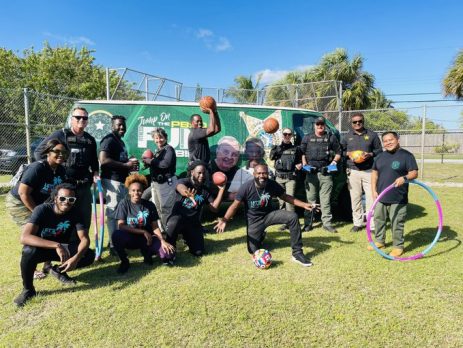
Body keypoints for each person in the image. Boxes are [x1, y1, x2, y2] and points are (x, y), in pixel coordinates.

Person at [214, 164, 315, 267]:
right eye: (259, 173)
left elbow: (285, 197)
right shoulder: (246, 187)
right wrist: (225, 220)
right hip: (254, 221)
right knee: (253, 250)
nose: (262, 176)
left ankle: (297, 253)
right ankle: (260, 234)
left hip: (269, 215)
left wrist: (304, 205)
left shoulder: (271, 184)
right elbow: (234, 206)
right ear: (254, 174)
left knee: (292, 217)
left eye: (264, 173)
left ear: (268, 174)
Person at [14, 183, 95, 307]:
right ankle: (28, 290)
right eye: (62, 198)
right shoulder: (42, 209)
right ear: (55, 198)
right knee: (28, 251)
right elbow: (25, 237)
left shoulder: (75, 212)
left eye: (71, 199)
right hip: (42, 248)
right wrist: (57, 245)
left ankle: (58, 270)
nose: (66, 202)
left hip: (63, 249)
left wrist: (76, 258)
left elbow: (84, 239)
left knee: (88, 255)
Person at [6, 139, 68, 279]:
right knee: (34, 231)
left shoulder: (61, 170)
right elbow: (23, 193)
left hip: (40, 202)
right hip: (19, 202)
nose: (61, 155)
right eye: (56, 151)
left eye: (64, 152)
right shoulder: (37, 168)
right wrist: (37, 213)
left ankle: (47, 264)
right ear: (48, 152)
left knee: (50, 228)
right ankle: (31, 267)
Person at [34, 107, 99, 229]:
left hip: (84, 185)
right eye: (78, 117)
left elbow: (94, 161)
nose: (81, 120)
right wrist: (51, 170)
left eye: (85, 118)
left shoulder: (90, 139)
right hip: (64, 185)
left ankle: (84, 246)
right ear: (71, 119)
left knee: (84, 217)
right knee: (65, 216)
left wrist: (95, 173)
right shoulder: (60, 135)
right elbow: (38, 152)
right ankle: (66, 245)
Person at [112, 174, 175, 273]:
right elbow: (121, 226)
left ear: (143, 191)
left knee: (168, 255)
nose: (136, 193)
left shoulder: (150, 205)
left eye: (139, 190)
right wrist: (142, 232)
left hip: (148, 239)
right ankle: (124, 261)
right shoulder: (124, 203)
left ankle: (147, 253)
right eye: (133, 190)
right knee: (116, 235)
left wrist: (162, 241)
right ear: (129, 191)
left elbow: (155, 227)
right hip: (131, 238)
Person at [368, 131, 418, 257]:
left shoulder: (406, 156)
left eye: (391, 140)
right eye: (385, 141)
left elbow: (414, 173)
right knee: (379, 220)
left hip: (398, 197)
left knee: (397, 222)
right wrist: (373, 190)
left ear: (397, 140)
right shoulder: (380, 156)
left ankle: (398, 246)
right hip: (381, 196)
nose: (388, 143)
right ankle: (380, 241)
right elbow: (374, 173)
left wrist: (405, 178)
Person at [166, 160, 225, 258]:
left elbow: (214, 208)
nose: (202, 175)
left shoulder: (205, 190)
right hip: (178, 219)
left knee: (198, 252)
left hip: (193, 223)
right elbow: (179, 186)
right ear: (192, 172)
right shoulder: (185, 181)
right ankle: (170, 247)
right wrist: (187, 193)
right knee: (174, 222)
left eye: (203, 173)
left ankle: (186, 238)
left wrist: (221, 190)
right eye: (199, 173)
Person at [99, 115, 139, 252]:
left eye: (123, 125)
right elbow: (103, 160)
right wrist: (125, 164)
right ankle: (113, 245)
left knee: (120, 213)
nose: (122, 127)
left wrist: (130, 164)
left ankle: (118, 241)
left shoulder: (120, 142)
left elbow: (122, 161)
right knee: (112, 214)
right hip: (111, 181)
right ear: (112, 126)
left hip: (121, 181)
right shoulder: (109, 140)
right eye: (119, 125)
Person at [340, 112, 383, 232]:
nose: (357, 123)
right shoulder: (347, 136)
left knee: (371, 198)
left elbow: (379, 150)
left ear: (363, 122)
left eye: (360, 121)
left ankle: (372, 225)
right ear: (351, 124)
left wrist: (370, 154)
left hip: (369, 171)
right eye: (355, 122)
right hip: (353, 171)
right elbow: (340, 152)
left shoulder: (372, 135)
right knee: (355, 198)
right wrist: (348, 154)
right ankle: (357, 223)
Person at [300, 116, 341, 233]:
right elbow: (302, 152)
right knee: (310, 199)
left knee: (325, 200)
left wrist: (333, 162)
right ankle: (308, 224)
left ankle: (327, 224)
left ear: (324, 125)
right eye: (317, 124)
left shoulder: (330, 137)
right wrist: (304, 164)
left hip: (325, 173)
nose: (320, 126)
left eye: (322, 124)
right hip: (311, 173)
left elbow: (339, 152)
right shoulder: (307, 137)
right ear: (314, 125)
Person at [141, 128, 177, 229]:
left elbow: (165, 164)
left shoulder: (168, 149)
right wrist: (147, 163)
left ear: (165, 138)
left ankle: (169, 231)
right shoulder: (158, 151)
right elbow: (157, 165)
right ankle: (161, 230)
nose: (158, 140)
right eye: (156, 138)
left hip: (166, 183)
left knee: (166, 209)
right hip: (156, 183)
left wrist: (150, 161)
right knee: (157, 208)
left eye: (161, 137)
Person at [269, 128, 303, 231]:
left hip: (290, 178)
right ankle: (285, 223)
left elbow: (300, 161)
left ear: (292, 135)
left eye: (289, 134)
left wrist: (300, 164)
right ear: (282, 135)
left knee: (290, 200)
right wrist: (276, 148)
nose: (287, 136)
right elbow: (271, 157)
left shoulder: (296, 149)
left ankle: (293, 223)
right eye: (285, 134)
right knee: (281, 201)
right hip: (279, 177)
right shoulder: (277, 148)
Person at [211, 136, 241, 200]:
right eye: (226, 152)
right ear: (217, 151)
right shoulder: (206, 170)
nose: (230, 157)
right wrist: (229, 195)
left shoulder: (240, 173)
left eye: (234, 154)